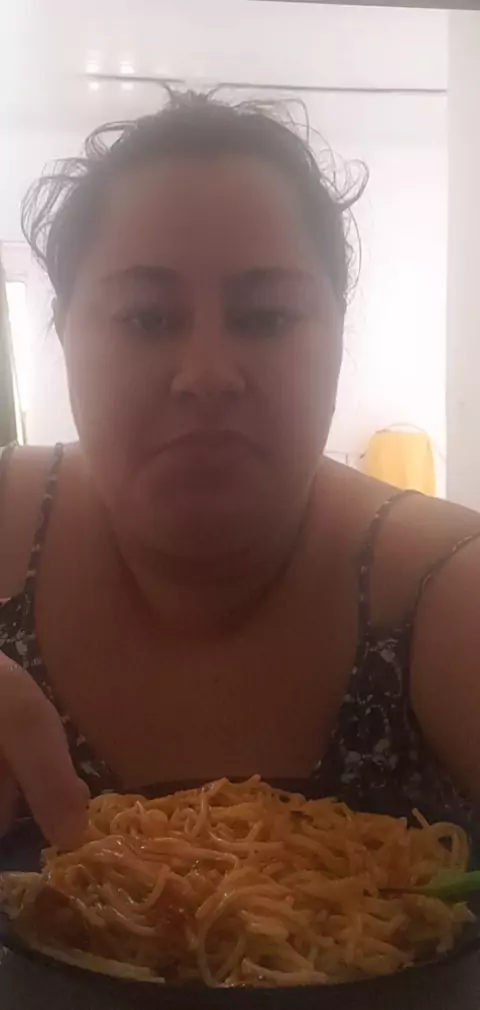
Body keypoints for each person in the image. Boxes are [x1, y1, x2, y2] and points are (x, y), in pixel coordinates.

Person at [0, 92, 479, 855]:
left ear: (338, 331)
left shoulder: (438, 584)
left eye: (266, 317)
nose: (208, 375)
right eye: (148, 318)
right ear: (63, 333)